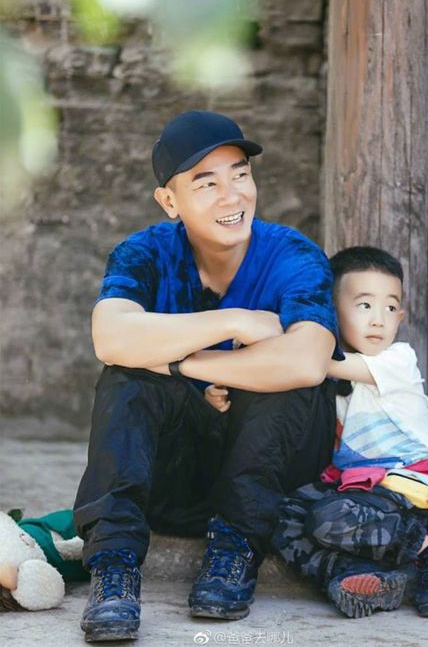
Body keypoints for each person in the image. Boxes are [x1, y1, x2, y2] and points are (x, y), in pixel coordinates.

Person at [73, 110, 343, 642]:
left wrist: (181, 362)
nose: (232, 196)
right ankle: (115, 568)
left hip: (274, 478)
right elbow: (111, 338)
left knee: (286, 382)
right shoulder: (144, 253)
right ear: (170, 201)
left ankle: (234, 551)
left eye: (240, 174)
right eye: (207, 182)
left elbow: (308, 359)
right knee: (125, 380)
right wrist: (233, 323)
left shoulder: (293, 255)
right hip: (177, 478)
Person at [265, 246, 428, 619]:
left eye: (390, 308)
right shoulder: (331, 376)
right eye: (364, 306)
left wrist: (269, 343)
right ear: (332, 310)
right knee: (282, 515)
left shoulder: (397, 360)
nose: (379, 320)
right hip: (358, 490)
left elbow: (310, 360)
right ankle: (363, 578)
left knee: (329, 517)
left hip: (406, 486)